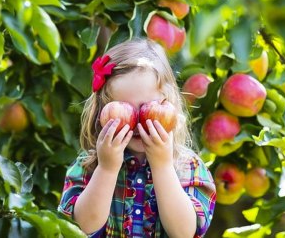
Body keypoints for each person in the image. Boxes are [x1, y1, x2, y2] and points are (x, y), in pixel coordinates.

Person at [58, 38, 216, 238]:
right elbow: (82, 227)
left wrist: (162, 167)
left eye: (147, 108)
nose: (138, 123)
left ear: (169, 105)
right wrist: (107, 169)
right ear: (102, 111)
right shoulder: (90, 165)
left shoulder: (187, 167)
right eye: (125, 109)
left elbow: (184, 233)